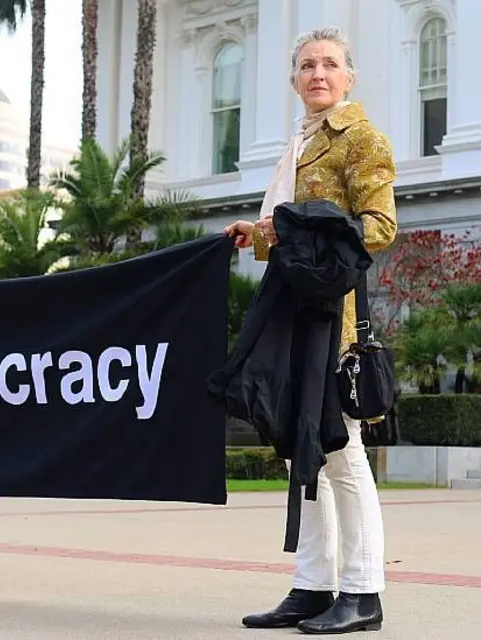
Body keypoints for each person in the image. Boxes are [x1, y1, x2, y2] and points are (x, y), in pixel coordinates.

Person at [224, 27, 397, 635]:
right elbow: (292, 225)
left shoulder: (361, 139)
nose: (317, 74)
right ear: (294, 80)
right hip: (296, 317)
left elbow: (378, 227)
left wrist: (295, 232)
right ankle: (312, 584)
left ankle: (363, 592)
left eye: (329, 65)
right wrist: (261, 232)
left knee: (344, 455)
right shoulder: (297, 143)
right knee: (311, 456)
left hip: (336, 322)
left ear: (349, 77)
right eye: (306, 66)